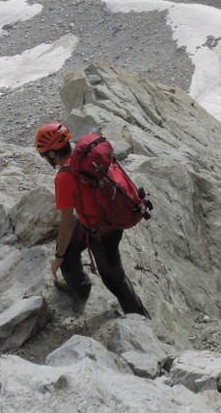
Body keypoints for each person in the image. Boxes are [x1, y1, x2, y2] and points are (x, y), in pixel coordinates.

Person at [35, 121, 149, 317]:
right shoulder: (84, 157)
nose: (46, 159)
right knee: (69, 248)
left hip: (102, 231)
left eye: (45, 155)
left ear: (52, 154)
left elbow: (67, 223)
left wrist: (58, 258)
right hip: (104, 217)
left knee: (114, 279)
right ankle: (80, 287)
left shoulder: (64, 177)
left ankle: (141, 319)